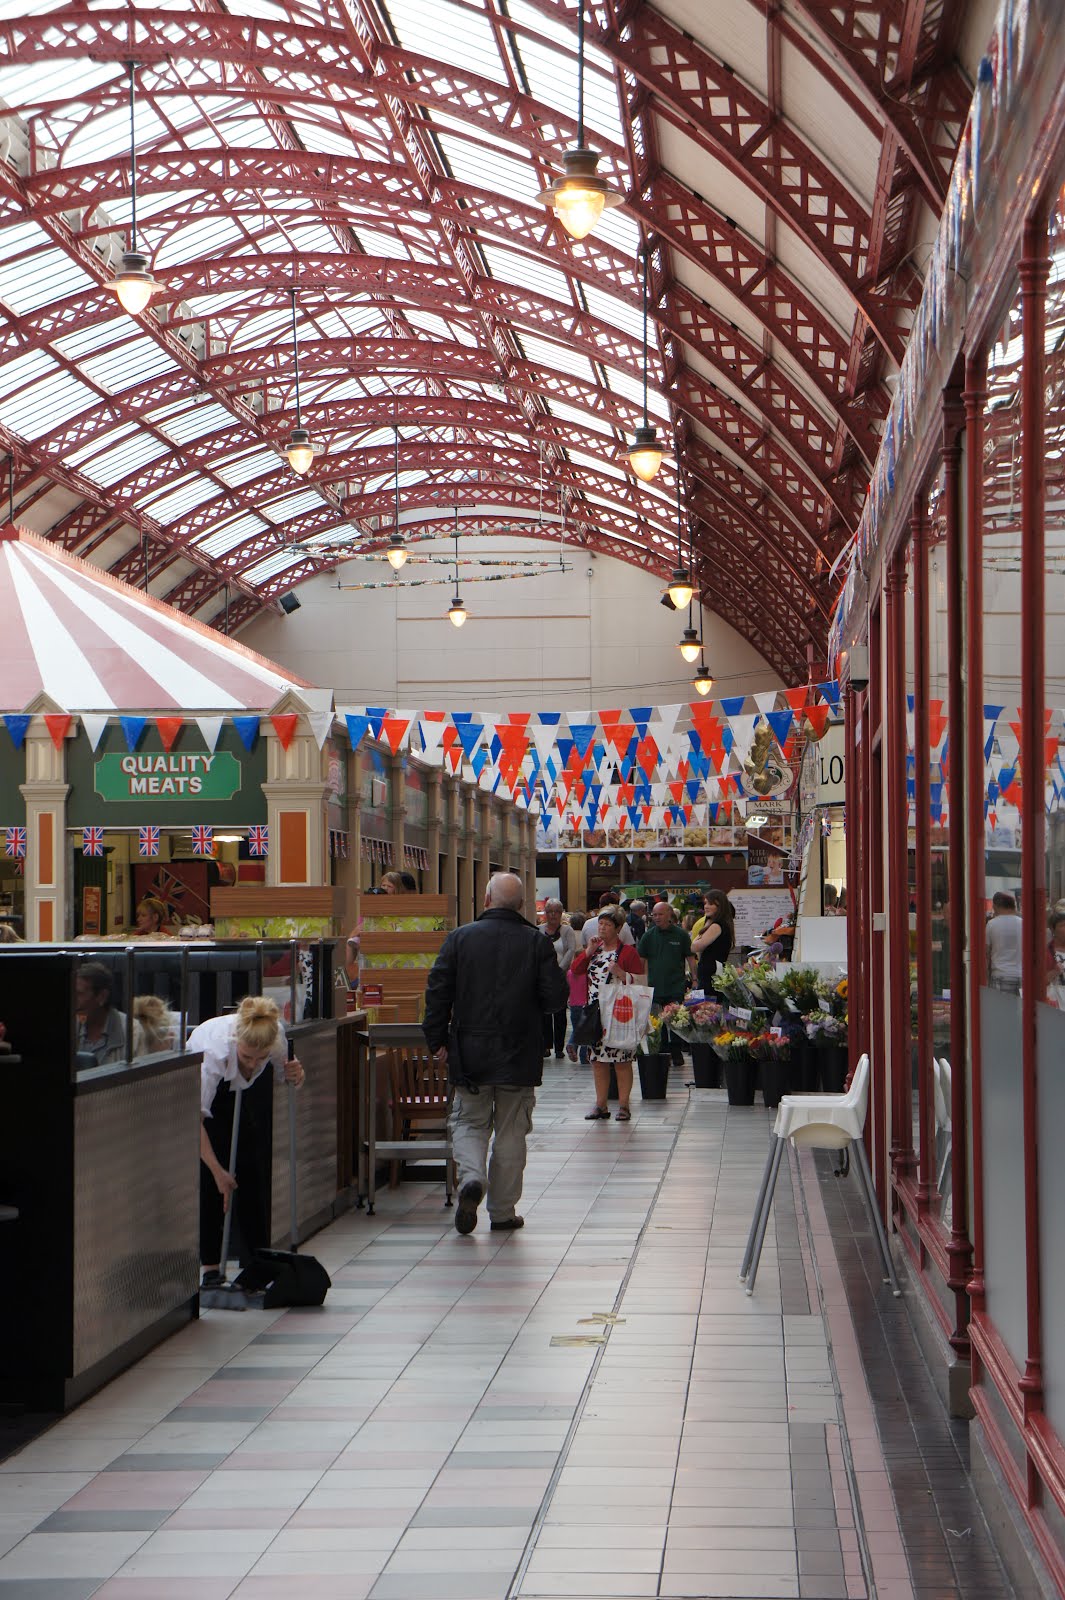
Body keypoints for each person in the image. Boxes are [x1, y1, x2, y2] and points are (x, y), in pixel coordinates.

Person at [422, 871, 567, 1235]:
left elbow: (437, 992)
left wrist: (437, 1039)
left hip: (470, 1051)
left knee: (469, 1121)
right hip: (519, 1054)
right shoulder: (536, 943)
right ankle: (502, 1212)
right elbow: (555, 1000)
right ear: (520, 906)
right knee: (511, 1131)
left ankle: (472, 1178)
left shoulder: (459, 938)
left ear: (486, 900)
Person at [189, 995, 305, 1291]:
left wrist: (296, 1073)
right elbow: (193, 1123)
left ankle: (258, 1261)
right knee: (212, 1181)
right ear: (236, 1045)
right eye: (247, 1057)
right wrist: (218, 1172)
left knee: (251, 1171)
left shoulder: (275, 1034)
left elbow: (288, 1074)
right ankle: (211, 1269)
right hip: (207, 1099)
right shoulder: (212, 1051)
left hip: (243, 1093)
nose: (253, 1064)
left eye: (260, 1058)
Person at [571, 907, 644, 1121]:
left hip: (619, 1013)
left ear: (618, 928)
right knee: (598, 1061)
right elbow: (575, 970)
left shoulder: (628, 952)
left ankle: (624, 1105)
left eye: (607, 924)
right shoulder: (595, 949)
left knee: (621, 1060)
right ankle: (600, 1105)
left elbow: (641, 982)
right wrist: (588, 951)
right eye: (600, 923)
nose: (602, 928)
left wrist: (622, 974)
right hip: (596, 1013)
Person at [639, 900, 695, 1064]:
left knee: (677, 1019)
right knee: (658, 1021)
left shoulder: (681, 935)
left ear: (670, 915)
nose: (656, 917)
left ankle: (676, 1051)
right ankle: (663, 1052)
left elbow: (690, 959)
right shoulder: (648, 936)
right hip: (654, 986)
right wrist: (641, 984)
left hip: (675, 984)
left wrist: (695, 979)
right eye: (654, 914)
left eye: (660, 914)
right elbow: (641, 962)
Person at [540, 899, 577, 1060]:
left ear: (561, 913)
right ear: (545, 914)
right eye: (550, 911)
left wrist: (559, 969)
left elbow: (570, 950)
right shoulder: (539, 930)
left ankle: (559, 1047)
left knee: (560, 1013)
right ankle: (546, 1046)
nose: (553, 915)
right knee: (544, 1013)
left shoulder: (567, 930)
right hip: (543, 977)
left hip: (560, 977)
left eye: (556, 911)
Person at [75, 961, 128, 1065]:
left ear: (102, 996)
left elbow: (140, 1079)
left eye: (79, 994)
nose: (73, 1001)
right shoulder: (72, 1025)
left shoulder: (131, 1032)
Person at [691, 890, 735, 992]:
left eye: (710, 904)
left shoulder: (716, 926)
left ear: (720, 906)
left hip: (710, 977)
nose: (706, 906)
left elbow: (695, 947)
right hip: (716, 974)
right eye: (705, 903)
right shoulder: (725, 924)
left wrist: (706, 925)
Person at [565, 911, 590, 1062]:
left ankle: (576, 1048)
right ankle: (580, 1053)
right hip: (585, 1005)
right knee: (585, 1030)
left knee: (577, 1028)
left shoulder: (569, 973)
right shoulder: (587, 974)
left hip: (573, 1005)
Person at [986, 890, 1022, 993]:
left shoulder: (991, 924)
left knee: (1000, 1008)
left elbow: (986, 953)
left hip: (999, 975)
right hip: (1021, 975)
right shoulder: (1023, 923)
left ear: (996, 905)